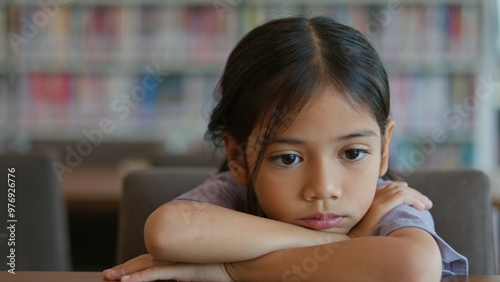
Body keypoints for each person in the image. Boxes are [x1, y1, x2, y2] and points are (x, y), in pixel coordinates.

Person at [103, 16, 468, 281]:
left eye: (353, 153)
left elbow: (414, 267)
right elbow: (167, 232)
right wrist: (344, 240)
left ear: (384, 149)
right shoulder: (236, 193)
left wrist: (230, 269)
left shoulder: (389, 205)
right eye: (288, 158)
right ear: (237, 157)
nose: (324, 188)